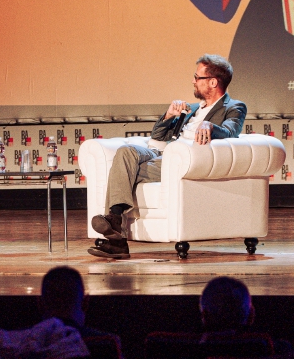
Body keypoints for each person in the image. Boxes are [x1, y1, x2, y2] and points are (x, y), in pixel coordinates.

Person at [88, 54, 247, 259]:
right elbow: (158, 137)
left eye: (197, 77)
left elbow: (230, 132)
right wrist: (169, 115)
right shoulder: (194, 108)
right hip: (163, 153)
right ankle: (115, 224)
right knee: (125, 153)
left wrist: (209, 126)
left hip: (181, 160)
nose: (193, 81)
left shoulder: (234, 107)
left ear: (213, 82)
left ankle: (116, 234)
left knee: (123, 171)